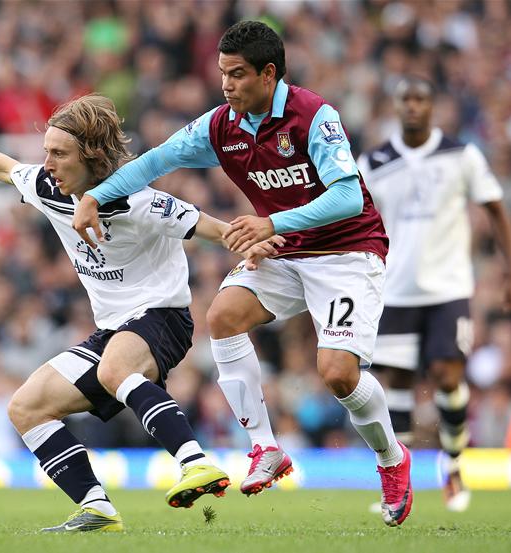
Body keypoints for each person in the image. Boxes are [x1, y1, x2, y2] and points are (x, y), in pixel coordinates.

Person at [73, 21, 413, 527]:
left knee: (338, 373)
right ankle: (266, 449)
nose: (226, 85)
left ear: (269, 74)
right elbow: (154, 162)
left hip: (347, 252)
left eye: (237, 74)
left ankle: (392, 458)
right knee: (223, 315)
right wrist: (96, 196)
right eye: (222, 73)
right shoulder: (221, 126)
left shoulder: (313, 116)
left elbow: (346, 197)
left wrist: (269, 222)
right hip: (283, 250)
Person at [0, 94, 280, 532]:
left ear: (93, 155)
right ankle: (96, 506)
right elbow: (3, 167)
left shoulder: (138, 201)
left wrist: (253, 242)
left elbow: (209, 227)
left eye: (59, 153)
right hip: (112, 329)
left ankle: (194, 462)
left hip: (163, 317)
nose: (47, 163)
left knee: (114, 370)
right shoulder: (48, 188)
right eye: (46, 151)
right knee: (26, 407)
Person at [359, 76, 511, 512]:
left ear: (433, 106)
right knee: (396, 381)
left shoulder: (461, 155)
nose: (413, 107)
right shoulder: (374, 161)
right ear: (396, 107)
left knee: (447, 377)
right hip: (393, 289)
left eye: (421, 99)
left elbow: (495, 208)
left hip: (448, 287)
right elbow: (355, 220)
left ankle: (453, 465)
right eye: (406, 100)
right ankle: (398, 481)